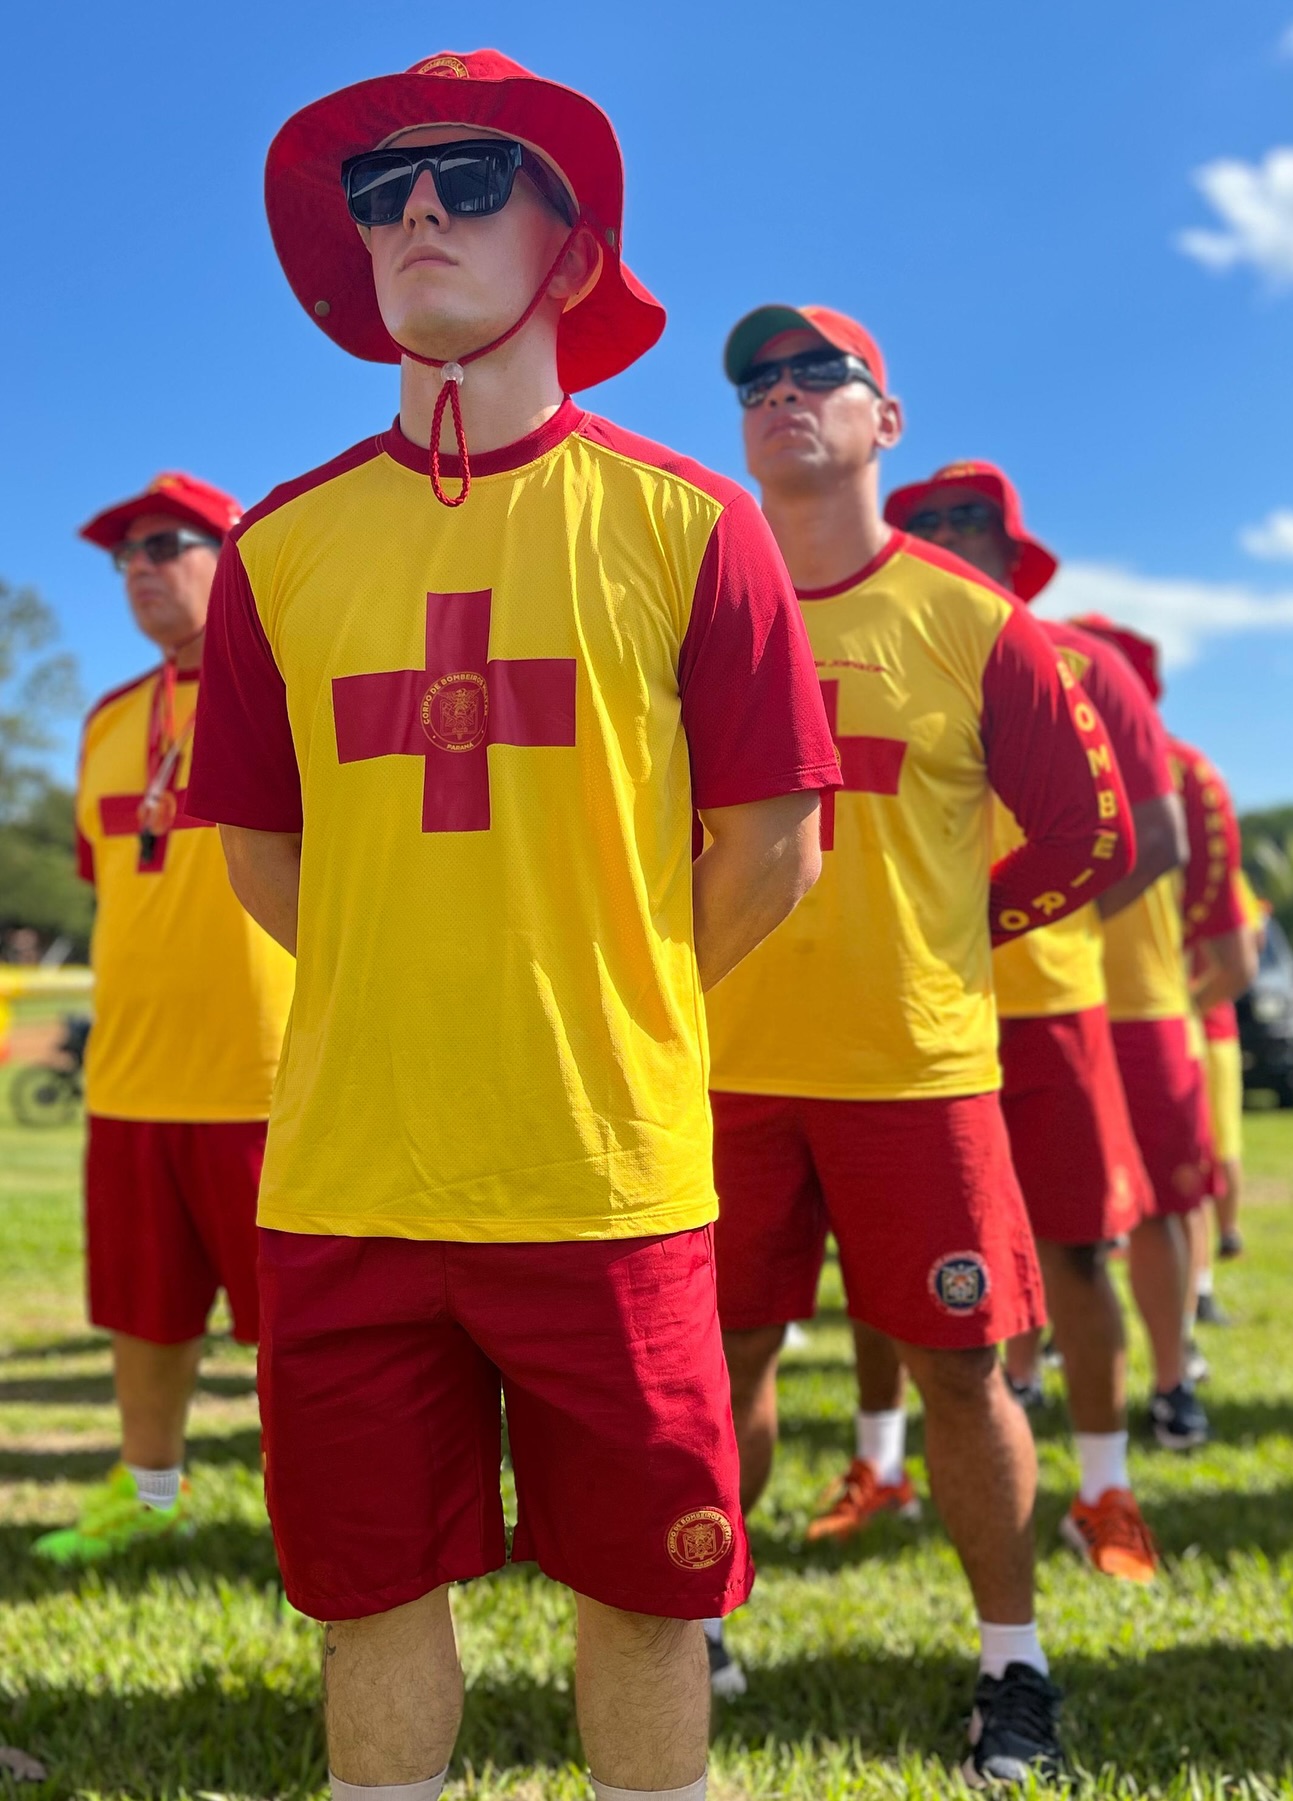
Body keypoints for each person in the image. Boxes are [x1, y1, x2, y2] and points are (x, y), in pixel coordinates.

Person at [188, 51, 838, 1801]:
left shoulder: (690, 520)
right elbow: (260, 847)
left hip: (602, 1171)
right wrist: (413, 986)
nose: (414, 213)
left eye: (471, 179)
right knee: (367, 1597)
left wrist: (593, 990)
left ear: (570, 241)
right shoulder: (279, 547)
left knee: (643, 1597)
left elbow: (777, 842)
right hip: (345, 1174)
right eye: (379, 190)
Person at [704, 304, 1136, 1783]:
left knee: (964, 1374)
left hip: (919, 1074)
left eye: (818, 374)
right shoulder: (693, 608)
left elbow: (1092, 836)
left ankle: (1012, 1663)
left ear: (886, 420)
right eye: (757, 382)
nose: (782, 397)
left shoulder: (973, 621)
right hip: (726, 1071)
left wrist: (955, 936)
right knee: (722, 1355)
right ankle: (700, 1618)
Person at [886, 461, 1179, 1582]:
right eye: (928, 519)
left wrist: (1018, 924)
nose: (950, 534)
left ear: (1018, 549)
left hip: (1050, 1005)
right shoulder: (888, 640)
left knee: (1077, 1253)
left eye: (974, 520)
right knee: (897, 1262)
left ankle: (1103, 1491)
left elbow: (1151, 835)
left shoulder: (1083, 662)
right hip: (912, 1008)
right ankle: (885, 1459)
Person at [32, 474, 295, 1566]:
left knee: (296, 1334)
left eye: (165, 544)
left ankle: (317, 1513)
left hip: (271, 1078)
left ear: (229, 555)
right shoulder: (104, 721)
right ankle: (147, 1497)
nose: (139, 566)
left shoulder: (290, 693)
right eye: (125, 553)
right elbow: (113, 880)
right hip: (134, 1078)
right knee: (145, 1315)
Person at [1070, 616, 1219, 1448]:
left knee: (1161, 1204)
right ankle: (1025, 1376)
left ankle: (1172, 1380)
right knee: (1037, 1209)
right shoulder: (1006, 714)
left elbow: (1210, 902)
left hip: (1144, 1002)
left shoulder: (1186, 769)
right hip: (1047, 999)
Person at [1170, 739, 1260, 1323]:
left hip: (1204, 1026)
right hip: (1187, 1022)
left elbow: (1242, 952)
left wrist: (1189, 1003)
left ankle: (1203, 1280)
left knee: (1208, 1158)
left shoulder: (1220, 874)